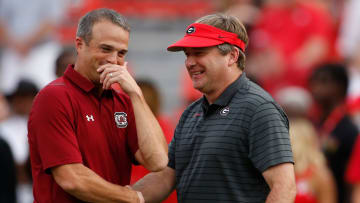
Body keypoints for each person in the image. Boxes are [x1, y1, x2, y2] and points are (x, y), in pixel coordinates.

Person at [132, 13, 296, 202]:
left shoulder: (258, 109)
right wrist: (118, 196)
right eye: (187, 54)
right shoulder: (191, 113)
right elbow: (164, 178)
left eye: (199, 53)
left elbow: (284, 187)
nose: (190, 62)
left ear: (232, 56)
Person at [27, 8, 168, 203]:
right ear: (79, 44)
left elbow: (158, 161)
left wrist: (136, 95)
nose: (113, 60)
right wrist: (132, 198)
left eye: (121, 53)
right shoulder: (54, 97)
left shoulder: (123, 102)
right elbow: (72, 178)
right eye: (105, 49)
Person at [308, 63, 359, 203]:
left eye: (323, 81)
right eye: (313, 81)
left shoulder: (350, 130)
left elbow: (353, 182)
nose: (315, 87)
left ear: (340, 87)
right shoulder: (311, 124)